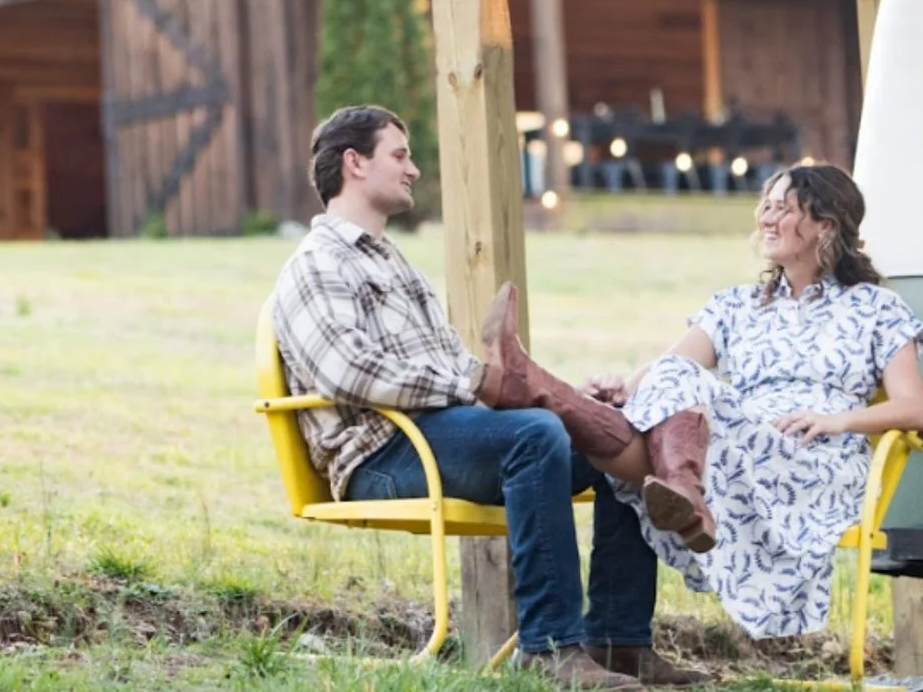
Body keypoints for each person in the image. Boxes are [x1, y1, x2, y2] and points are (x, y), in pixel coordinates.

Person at [273, 105, 705, 689]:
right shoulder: (317, 264)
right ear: (354, 163)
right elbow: (349, 371)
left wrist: (564, 400)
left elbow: (459, 373)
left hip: (444, 433)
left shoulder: (395, 267)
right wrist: (484, 387)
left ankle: (618, 638)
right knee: (535, 436)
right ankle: (549, 648)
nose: (414, 170)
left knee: (613, 435)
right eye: (399, 155)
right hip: (384, 453)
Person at [480, 162, 923, 638]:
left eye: (784, 208)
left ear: (826, 224)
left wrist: (836, 420)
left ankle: (542, 392)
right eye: (766, 206)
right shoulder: (737, 304)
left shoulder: (876, 308)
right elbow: (665, 370)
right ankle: (679, 492)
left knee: (661, 419)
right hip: (732, 450)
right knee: (671, 384)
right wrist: (617, 390)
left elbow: (914, 407)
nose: (767, 218)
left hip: (815, 461)